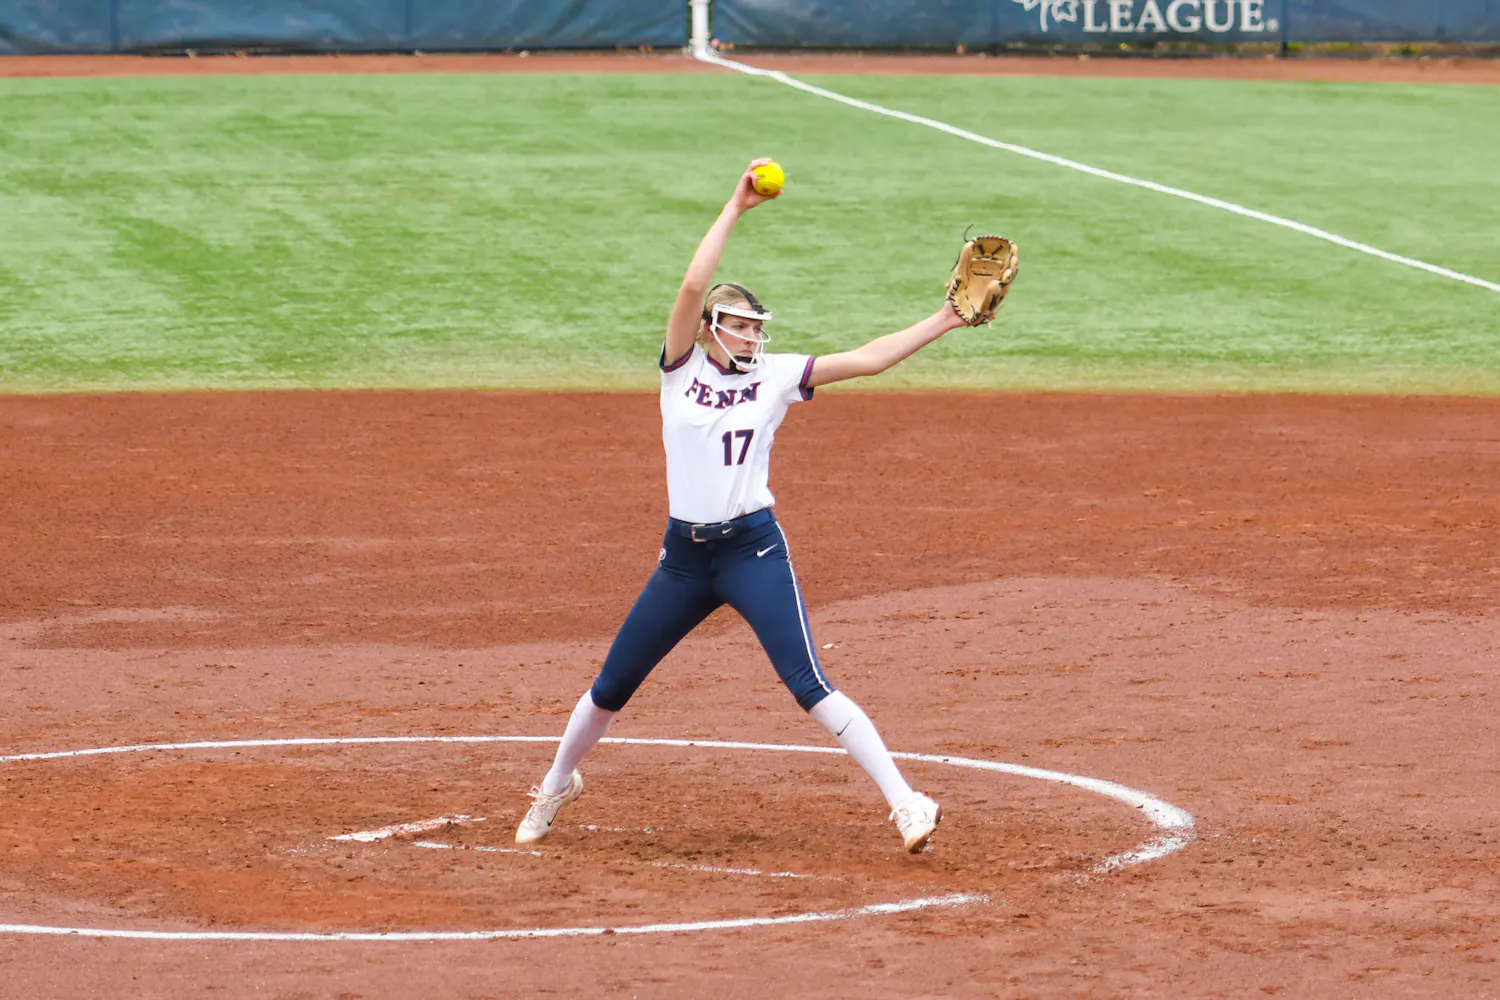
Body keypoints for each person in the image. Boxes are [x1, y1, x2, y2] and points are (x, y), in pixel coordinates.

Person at [516, 158, 973, 853]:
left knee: (809, 683)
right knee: (613, 685)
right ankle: (556, 783)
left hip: (752, 550)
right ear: (708, 330)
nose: (753, 337)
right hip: (683, 561)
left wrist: (945, 317)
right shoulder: (679, 370)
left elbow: (871, 358)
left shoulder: (779, 376)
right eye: (739, 326)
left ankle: (907, 803)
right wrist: (735, 206)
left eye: (757, 327)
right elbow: (693, 283)